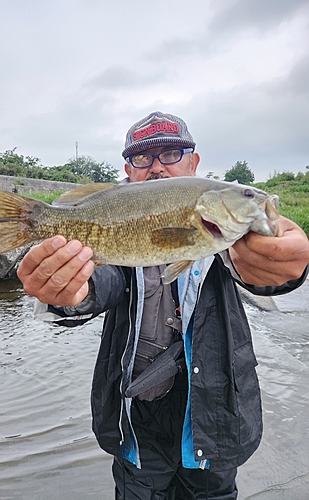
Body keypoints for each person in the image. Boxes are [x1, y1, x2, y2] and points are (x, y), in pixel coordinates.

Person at [17, 111, 309, 499]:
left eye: (171, 153)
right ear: (128, 169)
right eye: (142, 159)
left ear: (194, 162)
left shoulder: (228, 238)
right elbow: (101, 283)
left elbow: (257, 275)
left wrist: (286, 267)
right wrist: (68, 293)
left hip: (214, 416)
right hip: (136, 419)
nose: (156, 167)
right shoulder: (115, 218)